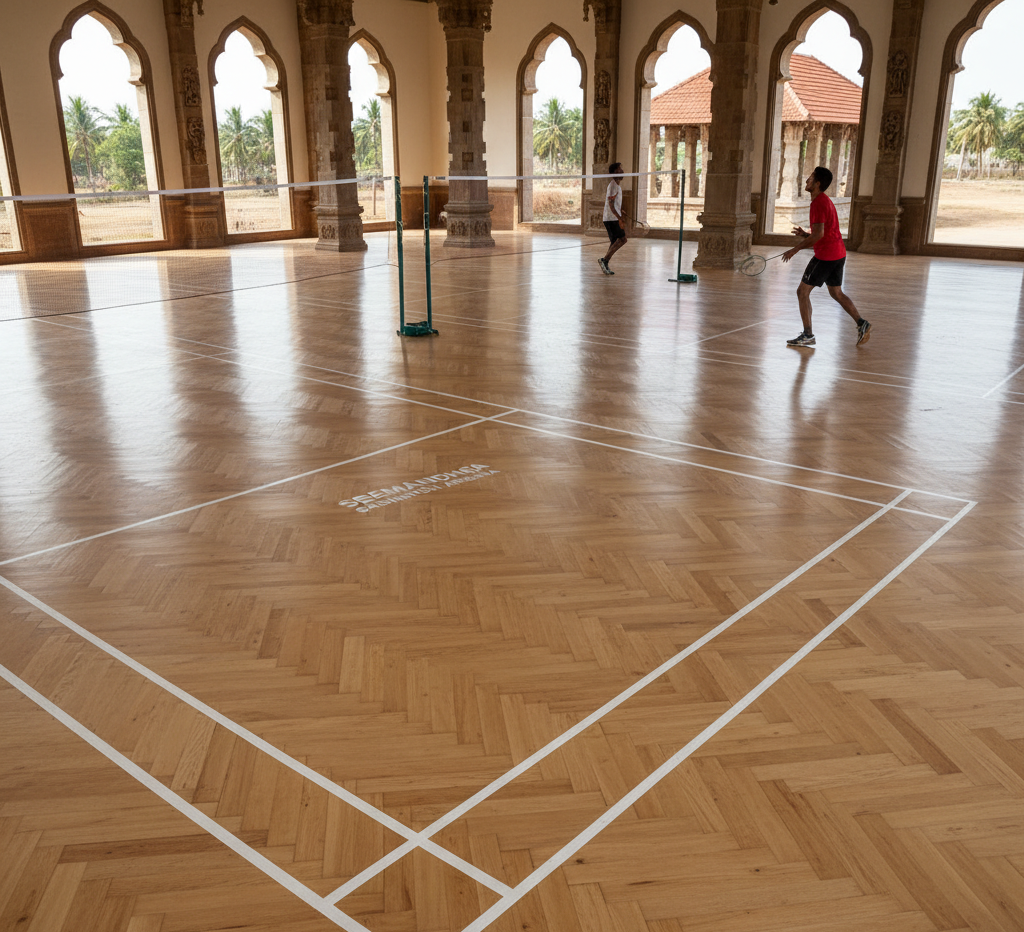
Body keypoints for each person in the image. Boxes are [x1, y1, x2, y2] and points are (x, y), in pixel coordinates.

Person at [781, 165, 870, 348]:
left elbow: (819, 235)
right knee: (836, 292)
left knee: (802, 292)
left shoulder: (819, 203)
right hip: (838, 253)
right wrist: (806, 234)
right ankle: (862, 323)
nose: (807, 181)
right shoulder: (823, 200)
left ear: (817, 183)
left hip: (826, 256)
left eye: (810, 178)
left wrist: (794, 249)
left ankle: (807, 335)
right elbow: (822, 232)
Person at [598, 163, 627, 275]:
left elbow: (614, 203)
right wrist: (619, 217)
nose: (623, 171)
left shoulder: (617, 186)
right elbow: (610, 205)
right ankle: (604, 260)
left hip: (612, 217)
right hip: (611, 218)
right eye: (620, 169)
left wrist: (621, 211)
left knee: (615, 242)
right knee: (622, 239)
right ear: (615, 172)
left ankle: (605, 262)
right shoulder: (613, 185)